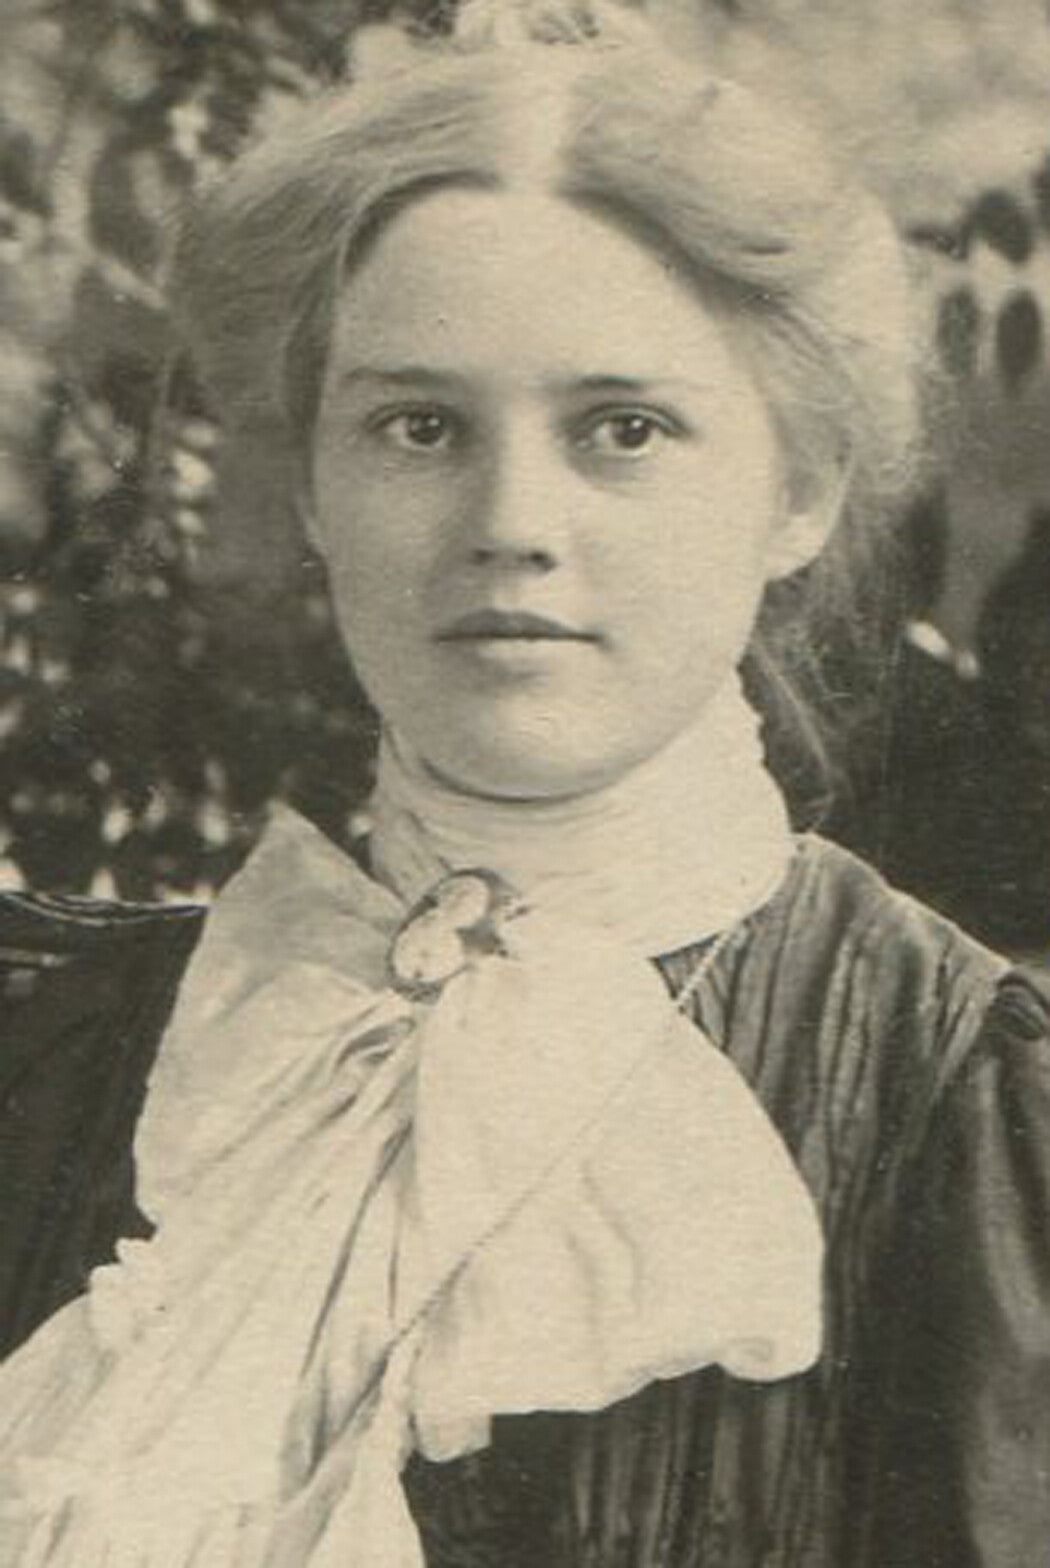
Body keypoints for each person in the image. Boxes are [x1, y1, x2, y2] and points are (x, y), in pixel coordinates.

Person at [0, 2, 1048, 1564]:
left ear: (799, 493)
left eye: (621, 429)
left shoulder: (949, 1106)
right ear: (312, 493)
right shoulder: (83, 1055)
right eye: (416, 427)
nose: (511, 520)